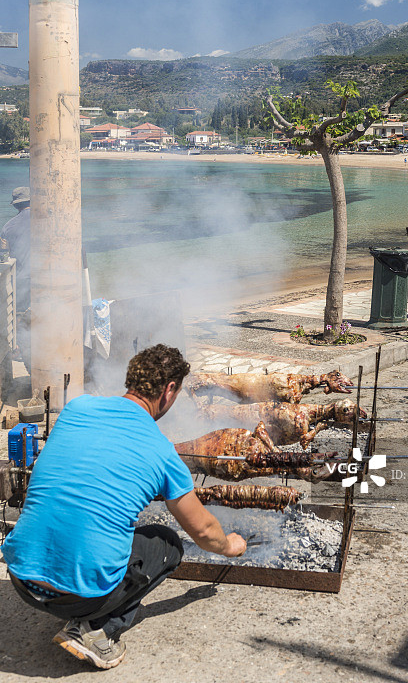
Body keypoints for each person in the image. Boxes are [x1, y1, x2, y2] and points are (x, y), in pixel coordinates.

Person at [1, 344, 247, 670]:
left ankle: (73, 597)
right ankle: (96, 629)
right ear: (169, 390)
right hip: (78, 599)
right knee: (168, 544)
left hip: (21, 577)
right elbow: (202, 530)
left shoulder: (77, 408)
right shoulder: (161, 451)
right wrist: (229, 545)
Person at [0, 186, 31, 366]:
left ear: (15, 205)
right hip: (44, 277)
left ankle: (18, 347)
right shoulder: (44, 220)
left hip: (20, 278)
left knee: (18, 314)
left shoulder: (7, 227)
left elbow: (4, 254)